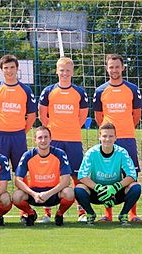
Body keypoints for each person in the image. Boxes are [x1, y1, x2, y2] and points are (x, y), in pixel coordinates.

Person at [93, 53, 142, 222]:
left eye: (117, 67)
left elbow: (136, 115)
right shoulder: (100, 91)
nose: (114, 70)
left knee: (131, 174)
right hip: (108, 140)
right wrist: (109, 135)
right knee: (108, 176)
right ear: (107, 68)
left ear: (123, 68)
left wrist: (125, 128)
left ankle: (132, 213)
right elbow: (99, 117)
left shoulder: (132, 89)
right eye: (111, 67)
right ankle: (108, 215)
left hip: (127, 137)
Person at [38, 57, 88, 222]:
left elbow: (82, 117)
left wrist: (71, 128)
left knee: (76, 176)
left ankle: (81, 212)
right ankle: (47, 213)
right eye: (62, 70)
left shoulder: (79, 92)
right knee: (52, 176)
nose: (64, 73)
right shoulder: (48, 91)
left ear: (72, 72)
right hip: (55, 140)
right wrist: (52, 131)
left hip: (73, 140)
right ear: (56, 71)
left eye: (68, 70)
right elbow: (42, 115)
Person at [74, 123, 141, 226]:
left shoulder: (122, 152)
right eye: (104, 136)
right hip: (97, 192)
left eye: (111, 136)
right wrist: (98, 188)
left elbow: (132, 175)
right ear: (99, 137)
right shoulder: (91, 153)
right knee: (78, 189)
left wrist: (115, 187)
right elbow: (82, 176)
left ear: (116, 138)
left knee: (136, 187)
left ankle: (123, 215)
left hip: (116, 192)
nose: (107, 139)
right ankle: (90, 214)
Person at [12, 126, 75, 226]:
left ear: (51, 139)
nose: (43, 140)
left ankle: (59, 214)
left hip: (54, 193)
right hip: (34, 194)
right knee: (16, 196)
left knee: (69, 192)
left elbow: (66, 180)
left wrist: (48, 193)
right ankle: (31, 213)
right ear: (35, 140)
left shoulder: (59, 154)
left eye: (46, 137)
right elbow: (17, 180)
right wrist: (33, 194)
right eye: (40, 137)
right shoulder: (28, 155)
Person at [0, 54, 37, 172]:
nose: (9, 71)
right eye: (6, 68)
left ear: (17, 68)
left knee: (21, 170)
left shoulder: (26, 90)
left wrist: (22, 131)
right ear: (1, 69)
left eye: (12, 67)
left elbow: (32, 115)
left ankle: (22, 191)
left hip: (18, 135)